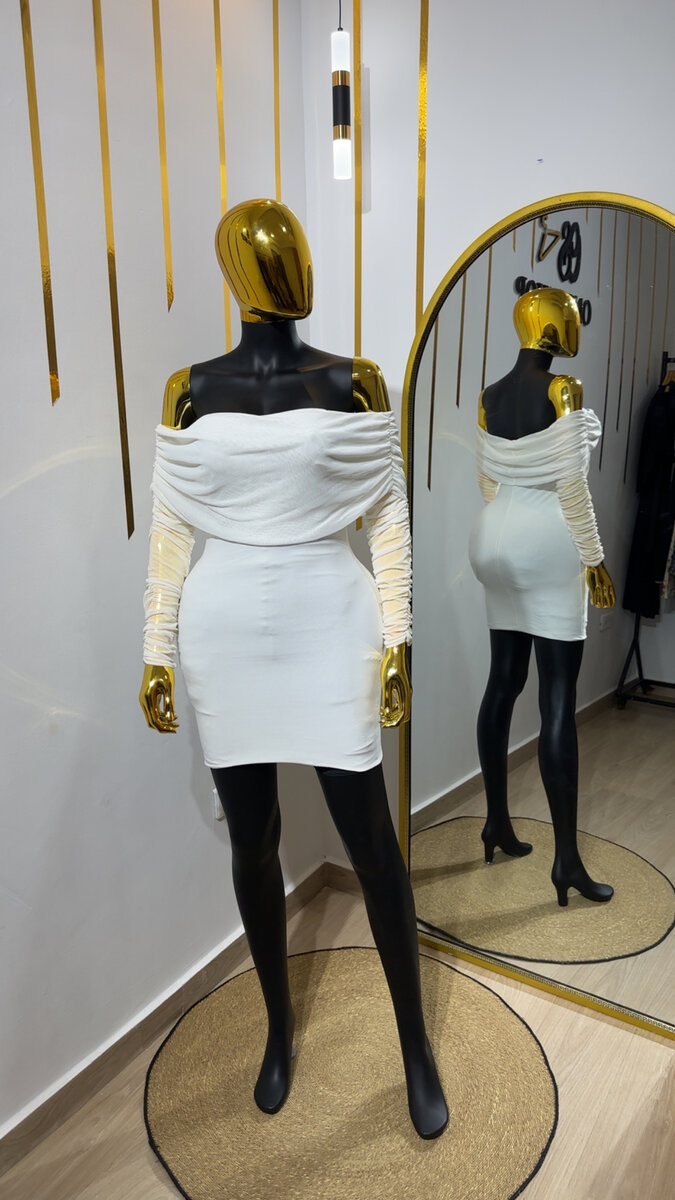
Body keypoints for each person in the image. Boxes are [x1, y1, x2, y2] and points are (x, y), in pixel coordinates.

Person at [139, 199, 448, 1139]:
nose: (291, 267)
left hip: (330, 621)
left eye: (296, 250)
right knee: (253, 839)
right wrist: (155, 650)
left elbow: (386, 516)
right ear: (236, 272)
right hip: (224, 630)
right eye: (270, 253)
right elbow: (171, 529)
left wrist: (396, 637)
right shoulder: (188, 389)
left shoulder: (354, 380)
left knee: (372, 842)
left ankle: (414, 1048)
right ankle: (278, 1030)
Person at [469, 287, 615, 907]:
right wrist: (595, 559)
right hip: (548, 540)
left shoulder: (489, 395)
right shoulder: (563, 389)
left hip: (492, 536)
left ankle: (496, 825)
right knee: (557, 696)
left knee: (503, 681)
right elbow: (571, 486)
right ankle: (567, 862)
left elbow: (488, 478)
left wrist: (506, 534)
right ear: (557, 326)